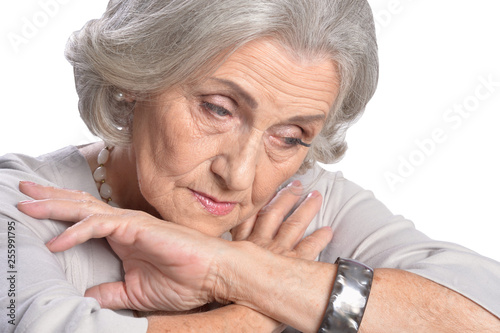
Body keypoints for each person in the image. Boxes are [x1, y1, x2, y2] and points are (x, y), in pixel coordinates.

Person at [1, 0, 499, 332]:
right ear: (136, 77)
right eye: (218, 109)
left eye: (289, 137)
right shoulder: (16, 204)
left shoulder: (305, 206)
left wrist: (233, 271)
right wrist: (253, 314)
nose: (239, 175)